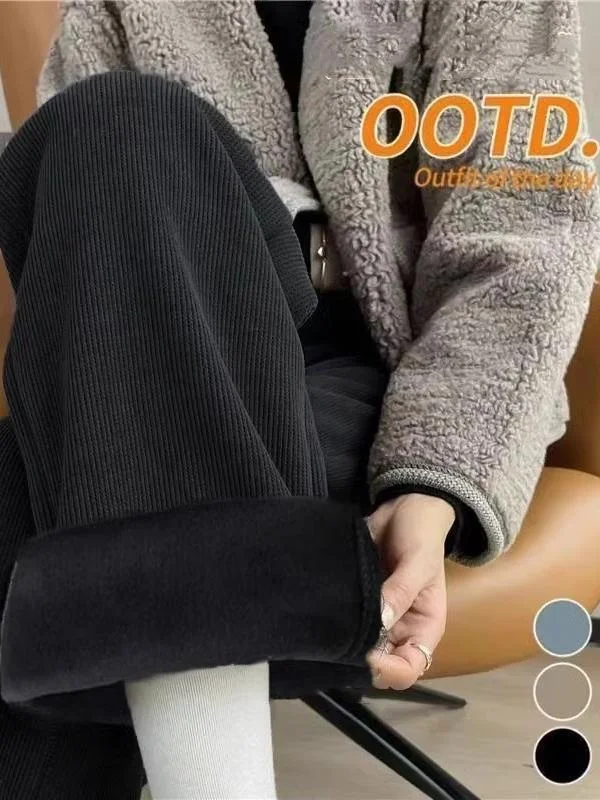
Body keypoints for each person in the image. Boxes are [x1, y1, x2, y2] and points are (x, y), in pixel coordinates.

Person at [0, 1, 598, 798]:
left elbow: (526, 239)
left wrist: (437, 481)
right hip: (155, 336)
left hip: (388, 368)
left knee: (39, 516)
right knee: (110, 124)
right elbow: (79, 233)